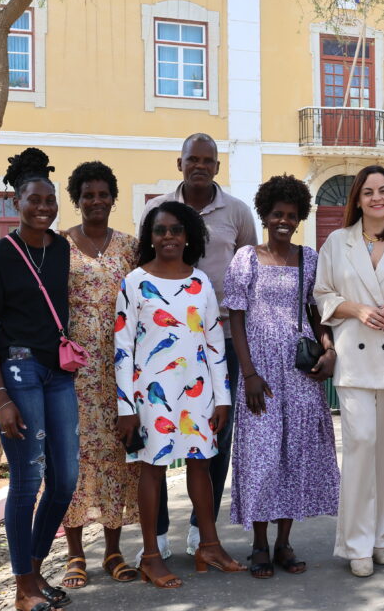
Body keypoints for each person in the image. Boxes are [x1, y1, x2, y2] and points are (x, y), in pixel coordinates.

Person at [0, 148, 78, 611]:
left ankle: (33, 569)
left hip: (58, 372)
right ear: (16, 202)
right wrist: (1, 397)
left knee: (65, 479)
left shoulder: (61, 248)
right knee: (28, 478)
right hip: (17, 371)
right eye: (34, 199)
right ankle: (23, 588)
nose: (43, 207)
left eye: (50, 200)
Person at [115, 202, 245, 588]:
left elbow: (214, 344)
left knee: (201, 464)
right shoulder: (134, 282)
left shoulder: (201, 282)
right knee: (152, 469)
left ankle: (209, 546)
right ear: (149, 237)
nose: (168, 236)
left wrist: (222, 398)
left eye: (176, 229)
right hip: (150, 394)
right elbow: (122, 348)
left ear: (189, 236)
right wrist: (126, 407)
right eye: (160, 230)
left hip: (197, 392)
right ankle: (151, 556)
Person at [141, 132, 257, 557]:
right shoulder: (156, 209)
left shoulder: (238, 212)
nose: (200, 166)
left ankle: (200, 527)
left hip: (221, 339)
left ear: (217, 167)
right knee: (157, 433)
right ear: (180, 163)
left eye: (208, 161)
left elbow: (250, 275)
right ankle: (156, 533)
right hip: (165, 341)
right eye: (193, 159)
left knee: (216, 434)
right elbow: (143, 265)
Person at [313, 165, 384, 578]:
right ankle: (357, 542)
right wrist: (357, 309)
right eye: (368, 192)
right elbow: (322, 294)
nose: (377, 197)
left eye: (383, 190)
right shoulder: (337, 242)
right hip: (355, 356)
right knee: (361, 444)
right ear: (358, 200)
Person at [224, 174, 340, 579]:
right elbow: (236, 318)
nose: (284, 222)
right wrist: (249, 373)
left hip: (299, 370)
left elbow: (316, 313)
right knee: (262, 456)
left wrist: (329, 350)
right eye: (277, 214)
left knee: (295, 454)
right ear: (265, 214)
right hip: (260, 371)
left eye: (291, 215)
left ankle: (284, 543)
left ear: (300, 217)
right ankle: (258, 543)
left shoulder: (309, 258)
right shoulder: (246, 258)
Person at [58, 162, 141, 589]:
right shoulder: (59, 245)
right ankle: (74, 555)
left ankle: (113, 550)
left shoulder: (130, 247)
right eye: (87, 194)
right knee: (71, 458)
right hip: (72, 373)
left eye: (103, 194)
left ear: (113, 198)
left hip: (120, 372)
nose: (95, 201)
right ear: (77, 199)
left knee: (115, 459)